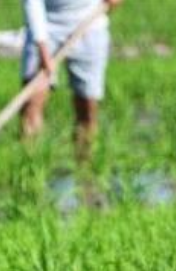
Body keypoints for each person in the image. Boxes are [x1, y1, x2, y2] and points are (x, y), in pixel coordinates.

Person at [20, 0, 122, 159]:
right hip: (46, 26)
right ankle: (29, 168)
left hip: (90, 24)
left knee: (88, 107)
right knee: (32, 103)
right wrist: (43, 50)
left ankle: (84, 170)